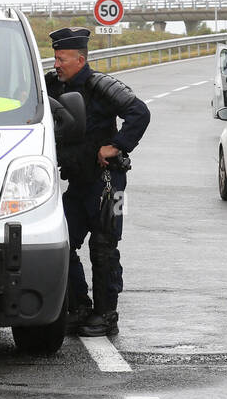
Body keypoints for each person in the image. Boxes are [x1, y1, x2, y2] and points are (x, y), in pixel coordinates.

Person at [45, 27, 151, 337]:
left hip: (108, 182)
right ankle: (79, 307)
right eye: (55, 58)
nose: (57, 64)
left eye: (62, 58)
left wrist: (116, 144)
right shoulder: (52, 86)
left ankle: (106, 315)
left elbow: (139, 113)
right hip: (77, 182)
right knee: (61, 242)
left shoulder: (100, 85)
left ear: (80, 59)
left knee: (104, 248)